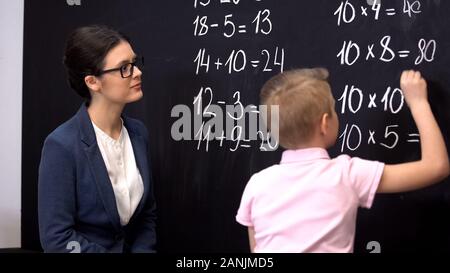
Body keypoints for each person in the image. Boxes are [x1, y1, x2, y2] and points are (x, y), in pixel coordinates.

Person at [236, 68, 450, 252]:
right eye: (334, 108)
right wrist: (419, 102)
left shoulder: (256, 184)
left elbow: (258, 249)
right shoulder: (346, 174)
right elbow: (436, 167)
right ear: (324, 123)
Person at [38, 25, 156, 253]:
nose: (137, 72)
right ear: (93, 82)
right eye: (124, 68)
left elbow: (146, 216)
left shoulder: (138, 133)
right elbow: (57, 239)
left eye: (135, 62)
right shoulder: (61, 146)